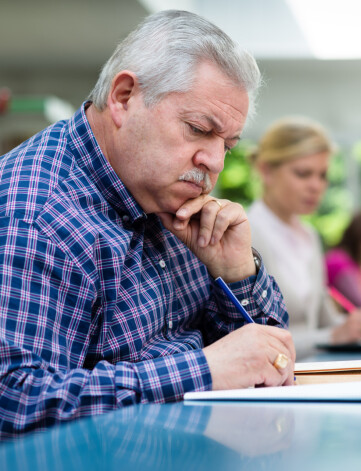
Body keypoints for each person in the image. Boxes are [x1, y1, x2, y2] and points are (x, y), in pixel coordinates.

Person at [0, 10, 295, 437]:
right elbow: (13, 398)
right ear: (123, 98)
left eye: (227, 145)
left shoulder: (167, 197)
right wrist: (203, 371)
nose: (213, 162)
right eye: (198, 129)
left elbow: (269, 362)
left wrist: (235, 273)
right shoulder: (37, 214)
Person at [247, 117, 361, 359]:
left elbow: (326, 320)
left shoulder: (309, 236)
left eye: (322, 175)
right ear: (266, 170)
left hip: (311, 375)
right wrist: (331, 336)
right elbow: (253, 340)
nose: (316, 186)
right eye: (303, 174)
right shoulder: (245, 235)